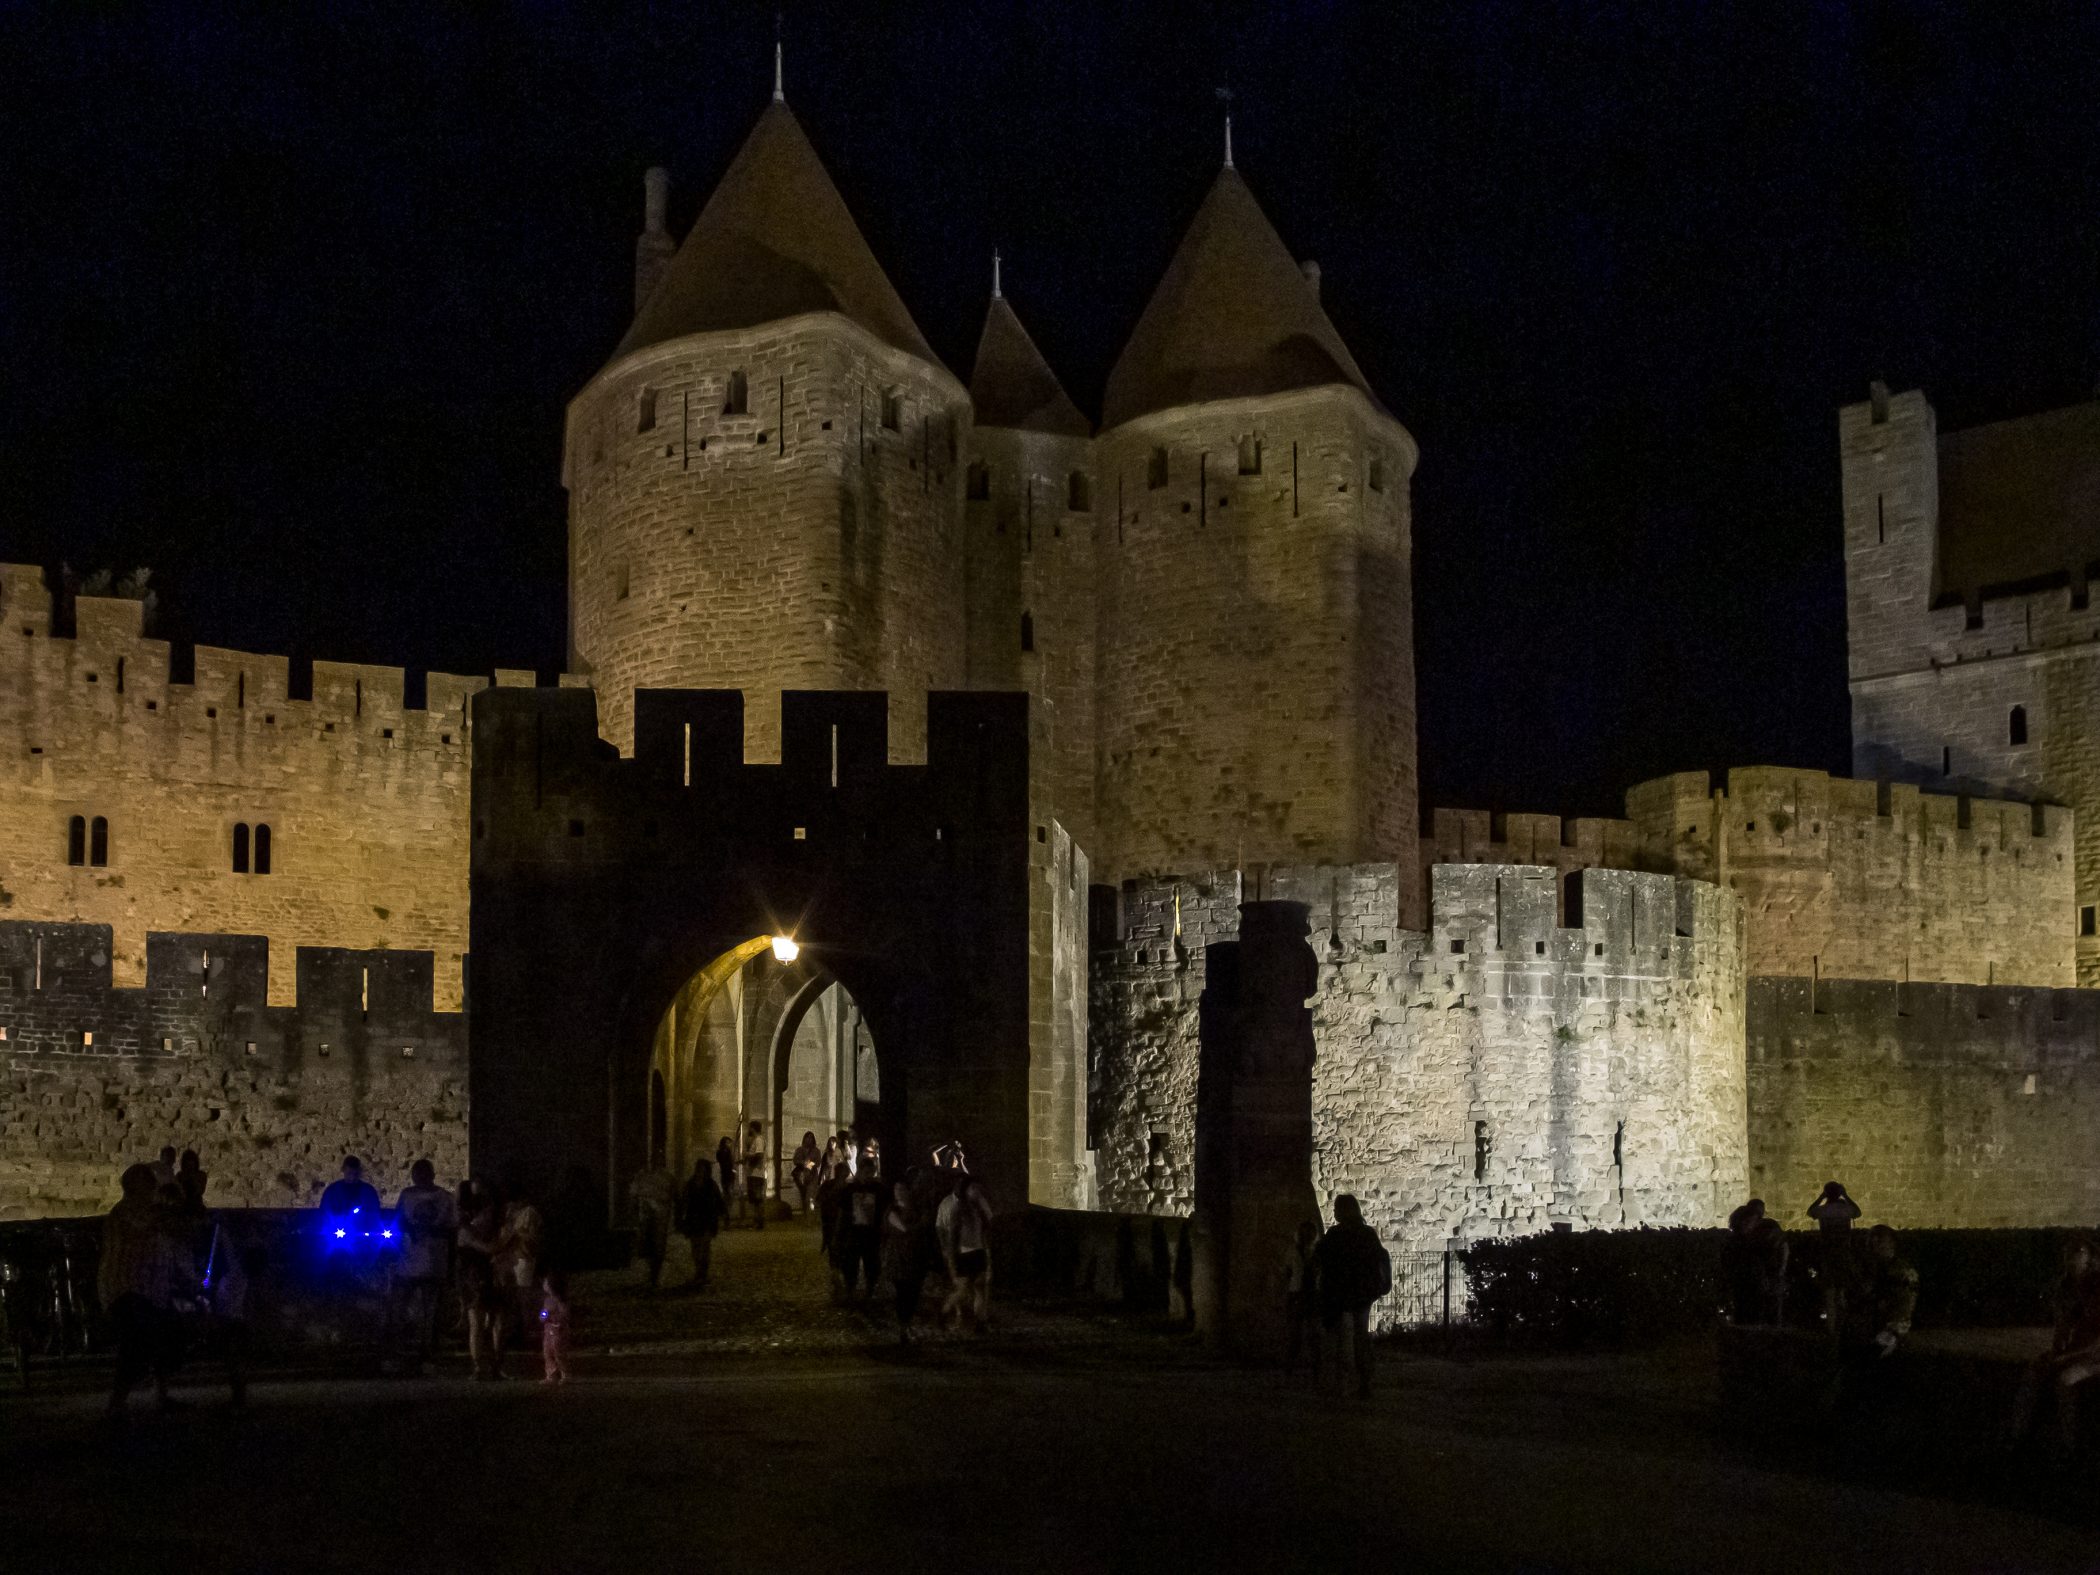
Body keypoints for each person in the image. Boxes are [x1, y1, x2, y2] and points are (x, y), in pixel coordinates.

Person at [98, 1163, 196, 1419]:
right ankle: (116, 1403)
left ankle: (160, 1395)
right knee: (136, 1344)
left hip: (150, 1292)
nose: (154, 1186)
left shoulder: (150, 1214)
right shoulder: (126, 1212)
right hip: (127, 1291)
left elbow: (169, 1245)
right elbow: (151, 1225)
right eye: (149, 1182)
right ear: (135, 1186)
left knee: (165, 1336)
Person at [2011, 1235, 2100, 1456]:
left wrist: (2065, 1358)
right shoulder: (2065, 1289)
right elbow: (2063, 1328)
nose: (2071, 1259)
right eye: (2068, 1253)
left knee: (2065, 1380)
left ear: (2090, 1258)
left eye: (2078, 1252)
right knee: (2034, 1369)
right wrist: (2056, 1353)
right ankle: (2018, 1436)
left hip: (2095, 1354)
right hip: (2077, 1351)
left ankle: (2070, 1446)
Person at [1313, 1194, 1392, 1399]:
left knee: (1340, 1338)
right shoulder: (1367, 1234)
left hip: (1340, 1292)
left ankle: (1342, 1383)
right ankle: (1364, 1382)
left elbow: (1320, 1258)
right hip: (1363, 1293)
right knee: (1360, 1336)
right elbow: (1378, 1257)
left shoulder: (1335, 1234)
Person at [391, 1159, 457, 1367]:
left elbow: (452, 1228)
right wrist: (410, 1231)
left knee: (431, 1309)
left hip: (433, 1261)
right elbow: (398, 1220)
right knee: (403, 1306)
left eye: (422, 1174)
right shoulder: (407, 1195)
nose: (418, 1178)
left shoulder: (445, 1198)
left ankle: (429, 1349)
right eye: (416, 1174)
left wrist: (427, 1232)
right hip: (410, 1261)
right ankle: (402, 1347)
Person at [456, 1189, 506, 1379]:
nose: (490, 1216)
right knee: (476, 1321)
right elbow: (489, 1249)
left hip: (490, 1278)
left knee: (497, 1321)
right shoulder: (467, 1231)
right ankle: (478, 1367)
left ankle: (496, 1366)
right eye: (487, 1212)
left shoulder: (490, 1231)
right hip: (474, 1279)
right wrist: (511, 1236)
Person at [494, 1194, 545, 1376]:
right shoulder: (511, 1216)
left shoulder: (527, 1215)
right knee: (515, 1299)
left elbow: (531, 1240)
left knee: (523, 1298)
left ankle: (524, 1331)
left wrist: (515, 1234)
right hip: (512, 1261)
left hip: (521, 1260)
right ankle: (518, 1332)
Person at [936, 1176, 995, 1332]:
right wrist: (951, 1257)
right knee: (963, 1290)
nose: (976, 1192)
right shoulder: (958, 1209)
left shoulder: (978, 1207)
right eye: (973, 1189)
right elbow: (952, 1234)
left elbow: (988, 1225)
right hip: (964, 1253)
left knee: (980, 1287)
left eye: (978, 1189)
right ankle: (944, 1312)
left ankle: (980, 1323)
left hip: (978, 1251)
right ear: (966, 1190)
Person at [1852, 1224, 1917, 1359]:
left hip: (1890, 1337)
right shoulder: (1869, 1270)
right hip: (1868, 1333)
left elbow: (1904, 1306)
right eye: (1872, 1239)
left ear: (1891, 1243)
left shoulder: (1901, 1272)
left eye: (1880, 1239)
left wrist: (1892, 1335)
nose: (1875, 1243)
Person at [1807, 1181, 1863, 1332]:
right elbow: (1858, 1212)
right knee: (1842, 1292)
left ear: (1827, 1193)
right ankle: (1843, 1326)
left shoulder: (1823, 1210)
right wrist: (1846, 1195)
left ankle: (1831, 1328)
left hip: (1827, 1253)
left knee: (1829, 1293)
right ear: (1839, 1193)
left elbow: (1810, 1212)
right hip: (1844, 1253)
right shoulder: (1845, 1210)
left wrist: (1821, 1197)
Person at [882, 1178, 927, 1344]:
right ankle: (904, 1327)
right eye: (896, 1190)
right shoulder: (892, 1211)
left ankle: (907, 1325)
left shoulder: (917, 1209)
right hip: (899, 1258)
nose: (898, 1192)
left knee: (913, 1294)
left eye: (901, 1189)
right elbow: (904, 1229)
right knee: (903, 1294)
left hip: (916, 1258)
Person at [836, 1152, 886, 1301]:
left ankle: (869, 1290)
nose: (868, 1176)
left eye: (871, 1172)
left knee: (872, 1263)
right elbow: (843, 1212)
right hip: (854, 1232)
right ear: (860, 1171)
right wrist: (839, 1234)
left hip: (872, 1233)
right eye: (866, 1172)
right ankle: (850, 1290)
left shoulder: (878, 1189)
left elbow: (884, 1210)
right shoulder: (850, 1190)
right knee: (850, 1263)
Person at [630, 1157, 677, 1291]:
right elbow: (634, 1194)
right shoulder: (642, 1176)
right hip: (648, 1217)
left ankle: (654, 1275)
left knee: (657, 1246)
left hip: (659, 1217)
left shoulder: (665, 1177)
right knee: (650, 1246)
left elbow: (673, 1194)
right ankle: (653, 1274)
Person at [1284, 1220, 1321, 1375]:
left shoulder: (1316, 1251)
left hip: (1309, 1293)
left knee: (1311, 1333)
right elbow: (1288, 1272)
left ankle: (1314, 1366)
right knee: (1296, 1333)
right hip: (1299, 1293)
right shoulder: (1294, 1251)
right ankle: (1293, 1365)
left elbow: (1287, 1272)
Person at [680, 1157, 724, 1288]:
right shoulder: (691, 1184)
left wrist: (721, 1215)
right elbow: (684, 1201)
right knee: (696, 1248)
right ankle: (699, 1272)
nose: (701, 1172)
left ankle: (702, 1273)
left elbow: (718, 1201)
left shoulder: (711, 1185)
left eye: (703, 1170)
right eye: (699, 1170)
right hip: (694, 1220)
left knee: (704, 1248)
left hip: (706, 1220)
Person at [1725, 1198, 1767, 1323]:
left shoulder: (1735, 1241)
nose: (1755, 1225)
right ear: (1745, 1222)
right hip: (1747, 1285)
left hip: (1744, 1284)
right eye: (1753, 1221)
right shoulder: (1743, 1242)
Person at [319, 1155, 383, 1222]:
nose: (352, 1178)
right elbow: (324, 1212)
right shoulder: (332, 1191)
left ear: (359, 1172)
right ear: (343, 1170)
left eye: (355, 1174)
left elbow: (375, 1213)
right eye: (349, 1173)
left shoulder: (368, 1191)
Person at [539, 1271, 572, 1385]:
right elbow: (543, 1312)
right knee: (547, 1352)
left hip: (559, 1331)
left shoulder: (561, 1300)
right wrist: (543, 1316)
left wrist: (555, 1317)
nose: (544, 1284)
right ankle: (551, 1375)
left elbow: (565, 1315)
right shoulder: (547, 1300)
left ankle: (565, 1374)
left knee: (559, 1352)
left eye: (546, 1282)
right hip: (548, 1330)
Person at [742, 1120, 769, 1230]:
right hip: (754, 1173)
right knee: (755, 1200)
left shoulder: (758, 1140)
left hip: (756, 1174)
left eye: (750, 1128)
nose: (749, 1130)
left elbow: (759, 1155)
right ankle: (757, 1221)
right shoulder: (757, 1140)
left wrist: (747, 1155)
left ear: (753, 1128)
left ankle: (759, 1222)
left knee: (757, 1200)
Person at [791, 1131, 821, 1212]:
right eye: (807, 1138)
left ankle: (810, 1215)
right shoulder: (800, 1149)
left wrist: (807, 1164)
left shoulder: (816, 1151)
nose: (809, 1140)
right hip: (801, 1176)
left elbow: (817, 1162)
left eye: (811, 1138)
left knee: (810, 1197)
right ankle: (805, 1214)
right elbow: (795, 1160)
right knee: (803, 1196)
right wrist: (802, 1163)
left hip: (812, 1176)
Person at [175, 1149, 209, 1215]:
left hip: (196, 1204)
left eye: (191, 1160)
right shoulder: (180, 1175)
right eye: (187, 1161)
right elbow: (178, 1190)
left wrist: (192, 1177)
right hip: (183, 1205)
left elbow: (201, 1190)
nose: (189, 1163)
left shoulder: (201, 1175)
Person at [715, 1137, 737, 1223]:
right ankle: (726, 1215)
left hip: (726, 1175)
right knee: (728, 1195)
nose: (730, 1145)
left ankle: (726, 1215)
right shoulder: (724, 1152)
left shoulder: (723, 1152)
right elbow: (727, 1164)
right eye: (728, 1143)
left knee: (727, 1194)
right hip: (727, 1175)